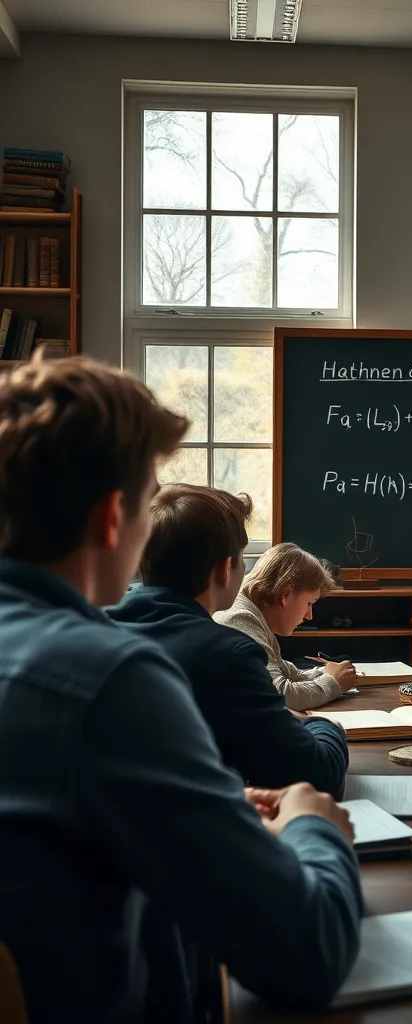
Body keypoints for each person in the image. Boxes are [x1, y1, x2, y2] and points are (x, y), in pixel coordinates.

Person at [0, 356, 362, 1022]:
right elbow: (307, 952)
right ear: (114, 519)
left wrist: (214, 801)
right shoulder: (110, 677)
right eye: (147, 501)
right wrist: (315, 828)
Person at [108, 484, 349, 797]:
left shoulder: (96, 628)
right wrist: (325, 726)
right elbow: (320, 776)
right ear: (225, 571)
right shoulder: (227, 656)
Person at [216, 542, 358, 711]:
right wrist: (333, 682)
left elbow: (283, 670)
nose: (309, 615)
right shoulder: (240, 619)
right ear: (286, 594)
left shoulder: (252, 614)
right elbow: (279, 694)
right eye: (309, 603)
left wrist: (324, 673)